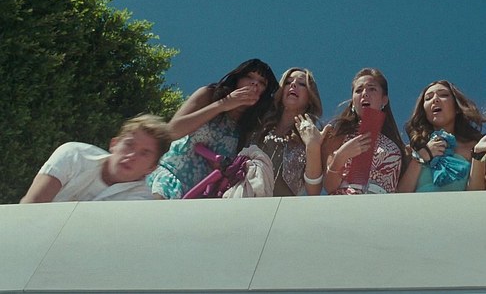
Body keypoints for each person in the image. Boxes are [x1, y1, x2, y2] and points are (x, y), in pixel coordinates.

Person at [147, 59, 278, 199]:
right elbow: (171, 132)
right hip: (169, 179)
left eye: (262, 82)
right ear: (237, 78)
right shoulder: (208, 95)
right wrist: (223, 105)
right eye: (249, 76)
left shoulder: (250, 127)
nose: (255, 83)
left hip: (199, 195)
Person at [20, 114, 171, 203]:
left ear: (152, 168)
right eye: (129, 144)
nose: (132, 156)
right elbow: (32, 205)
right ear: (114, 144)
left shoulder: (142, 201)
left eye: (144, 153)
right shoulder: (74, 154)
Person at [322, 68, 405, 195]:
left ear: (384, 100)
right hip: (345, 202)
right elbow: (329, 187)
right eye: (359, 90)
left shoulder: (397, 147)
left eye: (372, 89)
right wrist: (341, 156)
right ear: (353, 102)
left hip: (382, 204)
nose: (365, 94)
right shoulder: (338, 136)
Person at [399, 80, 486, 192]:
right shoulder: (411, 151)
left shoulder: (475, 148)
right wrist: (423, 155)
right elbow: (400, 195)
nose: (435, 99)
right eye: (428, 98)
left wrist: (478, 155)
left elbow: (478, 194)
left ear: (457, 107)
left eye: (443, 95)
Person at [254, 67, 326, 196]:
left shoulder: (315, 136)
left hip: (281, 206)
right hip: (241, 201)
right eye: (288, 82)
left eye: (301, 84)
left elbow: (314, 191)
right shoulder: (258, 124)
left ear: (310, 97)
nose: (293, 85)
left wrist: (312, 146)